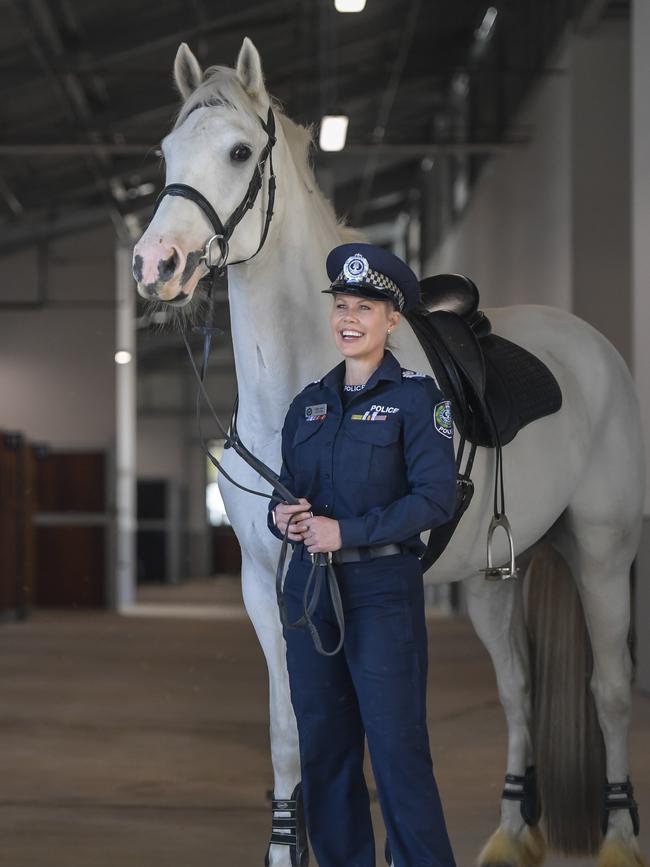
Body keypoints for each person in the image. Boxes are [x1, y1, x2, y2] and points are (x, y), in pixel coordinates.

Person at [268, 243, 458, 867]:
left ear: (393, 319)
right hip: (309, 595)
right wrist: (285, 516)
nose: (349, 318)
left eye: (365, 309)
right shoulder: (309, 404)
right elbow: (289, 486)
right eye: (342, 306)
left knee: (398, 748)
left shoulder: (416, 400)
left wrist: (345, 532)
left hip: (380, 590)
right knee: (324, 748)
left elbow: (436, 499)